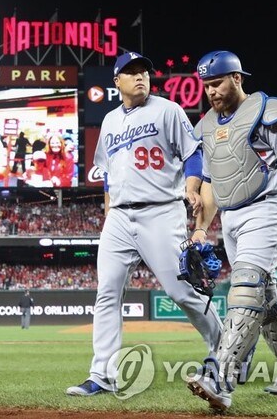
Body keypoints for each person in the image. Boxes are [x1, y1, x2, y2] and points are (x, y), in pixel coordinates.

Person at [66, 52, 223, 396]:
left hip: (161, 210)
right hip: (119, 217)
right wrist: (109, 211)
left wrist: (192, 189)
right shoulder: (108, 122)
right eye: (131, 72)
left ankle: (225, 348)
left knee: (180, 290)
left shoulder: (167, 110)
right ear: (116, 82)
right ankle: (102, 375)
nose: (140, 77)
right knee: (107, 292)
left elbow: (193, 153)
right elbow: (106, 174)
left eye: (144, 72)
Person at [186, 50, 277, 411]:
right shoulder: (206, 126)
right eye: (206, 86)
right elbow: (212, 184)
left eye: (217, 83)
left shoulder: (267, 111)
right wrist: (201, 230)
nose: (211, 91)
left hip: (266, 209)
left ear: (237, 78)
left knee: (245, 287)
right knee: (265, 300)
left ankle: (221, 376)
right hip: (231, 218)